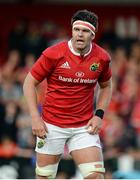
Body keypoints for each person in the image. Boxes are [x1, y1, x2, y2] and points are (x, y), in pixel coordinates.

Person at [23, 9, 112, 179]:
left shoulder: (102, 58)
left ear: (93, 35)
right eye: (76, 30)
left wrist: (99, 115)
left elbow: (106, 86)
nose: (79, 34)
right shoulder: (53, 54)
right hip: (51, 126)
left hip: (83, 127)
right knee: (44, 177)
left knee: (96, 176)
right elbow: (29, 82)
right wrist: (35, 117)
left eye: (85, 31)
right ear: (71, 30)